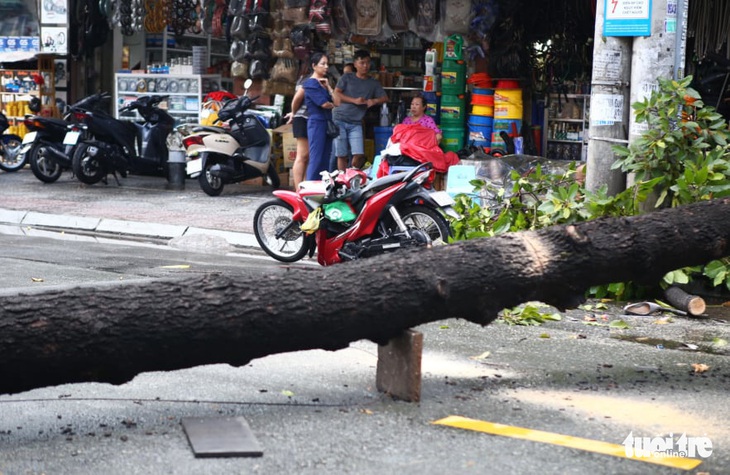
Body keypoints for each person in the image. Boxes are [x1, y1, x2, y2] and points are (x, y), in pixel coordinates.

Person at [332, 50, 389, 171]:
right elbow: (336, 93)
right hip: (339, 119)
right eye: (362, 63)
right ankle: (342, 180)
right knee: (341, 154)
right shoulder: (347, 77)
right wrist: (354, 100)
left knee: (358, 154)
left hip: (356, 122)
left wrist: (373, 101)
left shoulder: (373, 83)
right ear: (355, 64)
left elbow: (385, 98)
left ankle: (350, 175)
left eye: (368, 63)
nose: (365, 66)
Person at [302, 52, 336, 181]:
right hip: (316, 122)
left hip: (326, 122)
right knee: (316, 157)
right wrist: (331, 104)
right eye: (323, 64)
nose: (326, 67)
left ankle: (322, 186)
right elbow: (324, 104)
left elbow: (336, 102)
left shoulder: (324, 83)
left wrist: (329, 87)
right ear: (314, 66)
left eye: (327, 64)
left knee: (325, 157)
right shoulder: (310, 83)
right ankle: (309, 186)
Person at [285, 71, 310, 189]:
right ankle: (298, 189)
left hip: (311, 120)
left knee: (308, 156)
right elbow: (297, 99)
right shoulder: (307, 79)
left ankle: (304, 186)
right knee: (302, 155)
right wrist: (293, 113)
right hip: (302, 118)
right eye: (323, 63)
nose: (326, 67)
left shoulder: (323, 79)